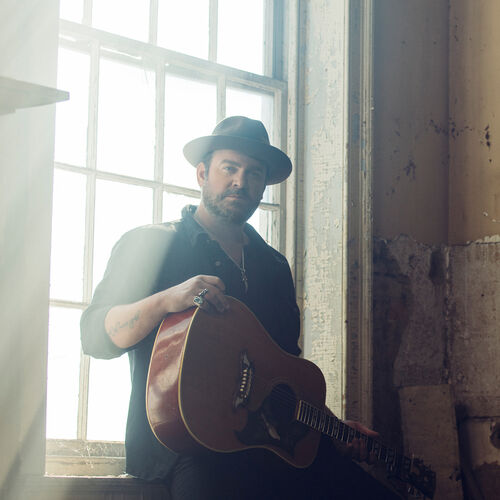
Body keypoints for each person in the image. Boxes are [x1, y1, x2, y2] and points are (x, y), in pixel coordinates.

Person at [81, 116, 400, 499]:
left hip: (269, 445)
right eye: (229, 168)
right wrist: (167, 299)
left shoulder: (274, 266)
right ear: (202, 173)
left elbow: (286, 374)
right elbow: (95, 335)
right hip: (189, 448)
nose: (240, 181)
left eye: (254, 173)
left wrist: (332, 430)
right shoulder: (152, 245)